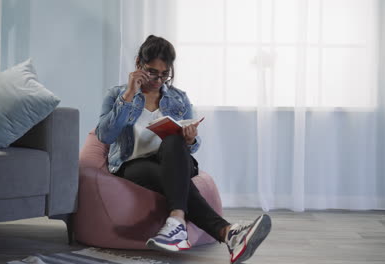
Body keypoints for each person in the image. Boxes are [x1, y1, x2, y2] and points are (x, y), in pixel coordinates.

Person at [95, 35, 271, 264]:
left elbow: (194, 146)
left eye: (164, 74)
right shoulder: (117, 94)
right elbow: (105, 135)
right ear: (138, 64)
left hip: (174, 160)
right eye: (152, 72)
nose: (159, 80)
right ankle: (229, 232)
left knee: (174, 141)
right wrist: (128, 94)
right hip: (133, 163)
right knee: (172, 179)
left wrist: (190, 140)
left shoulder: (179, 98)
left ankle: (176, 223)